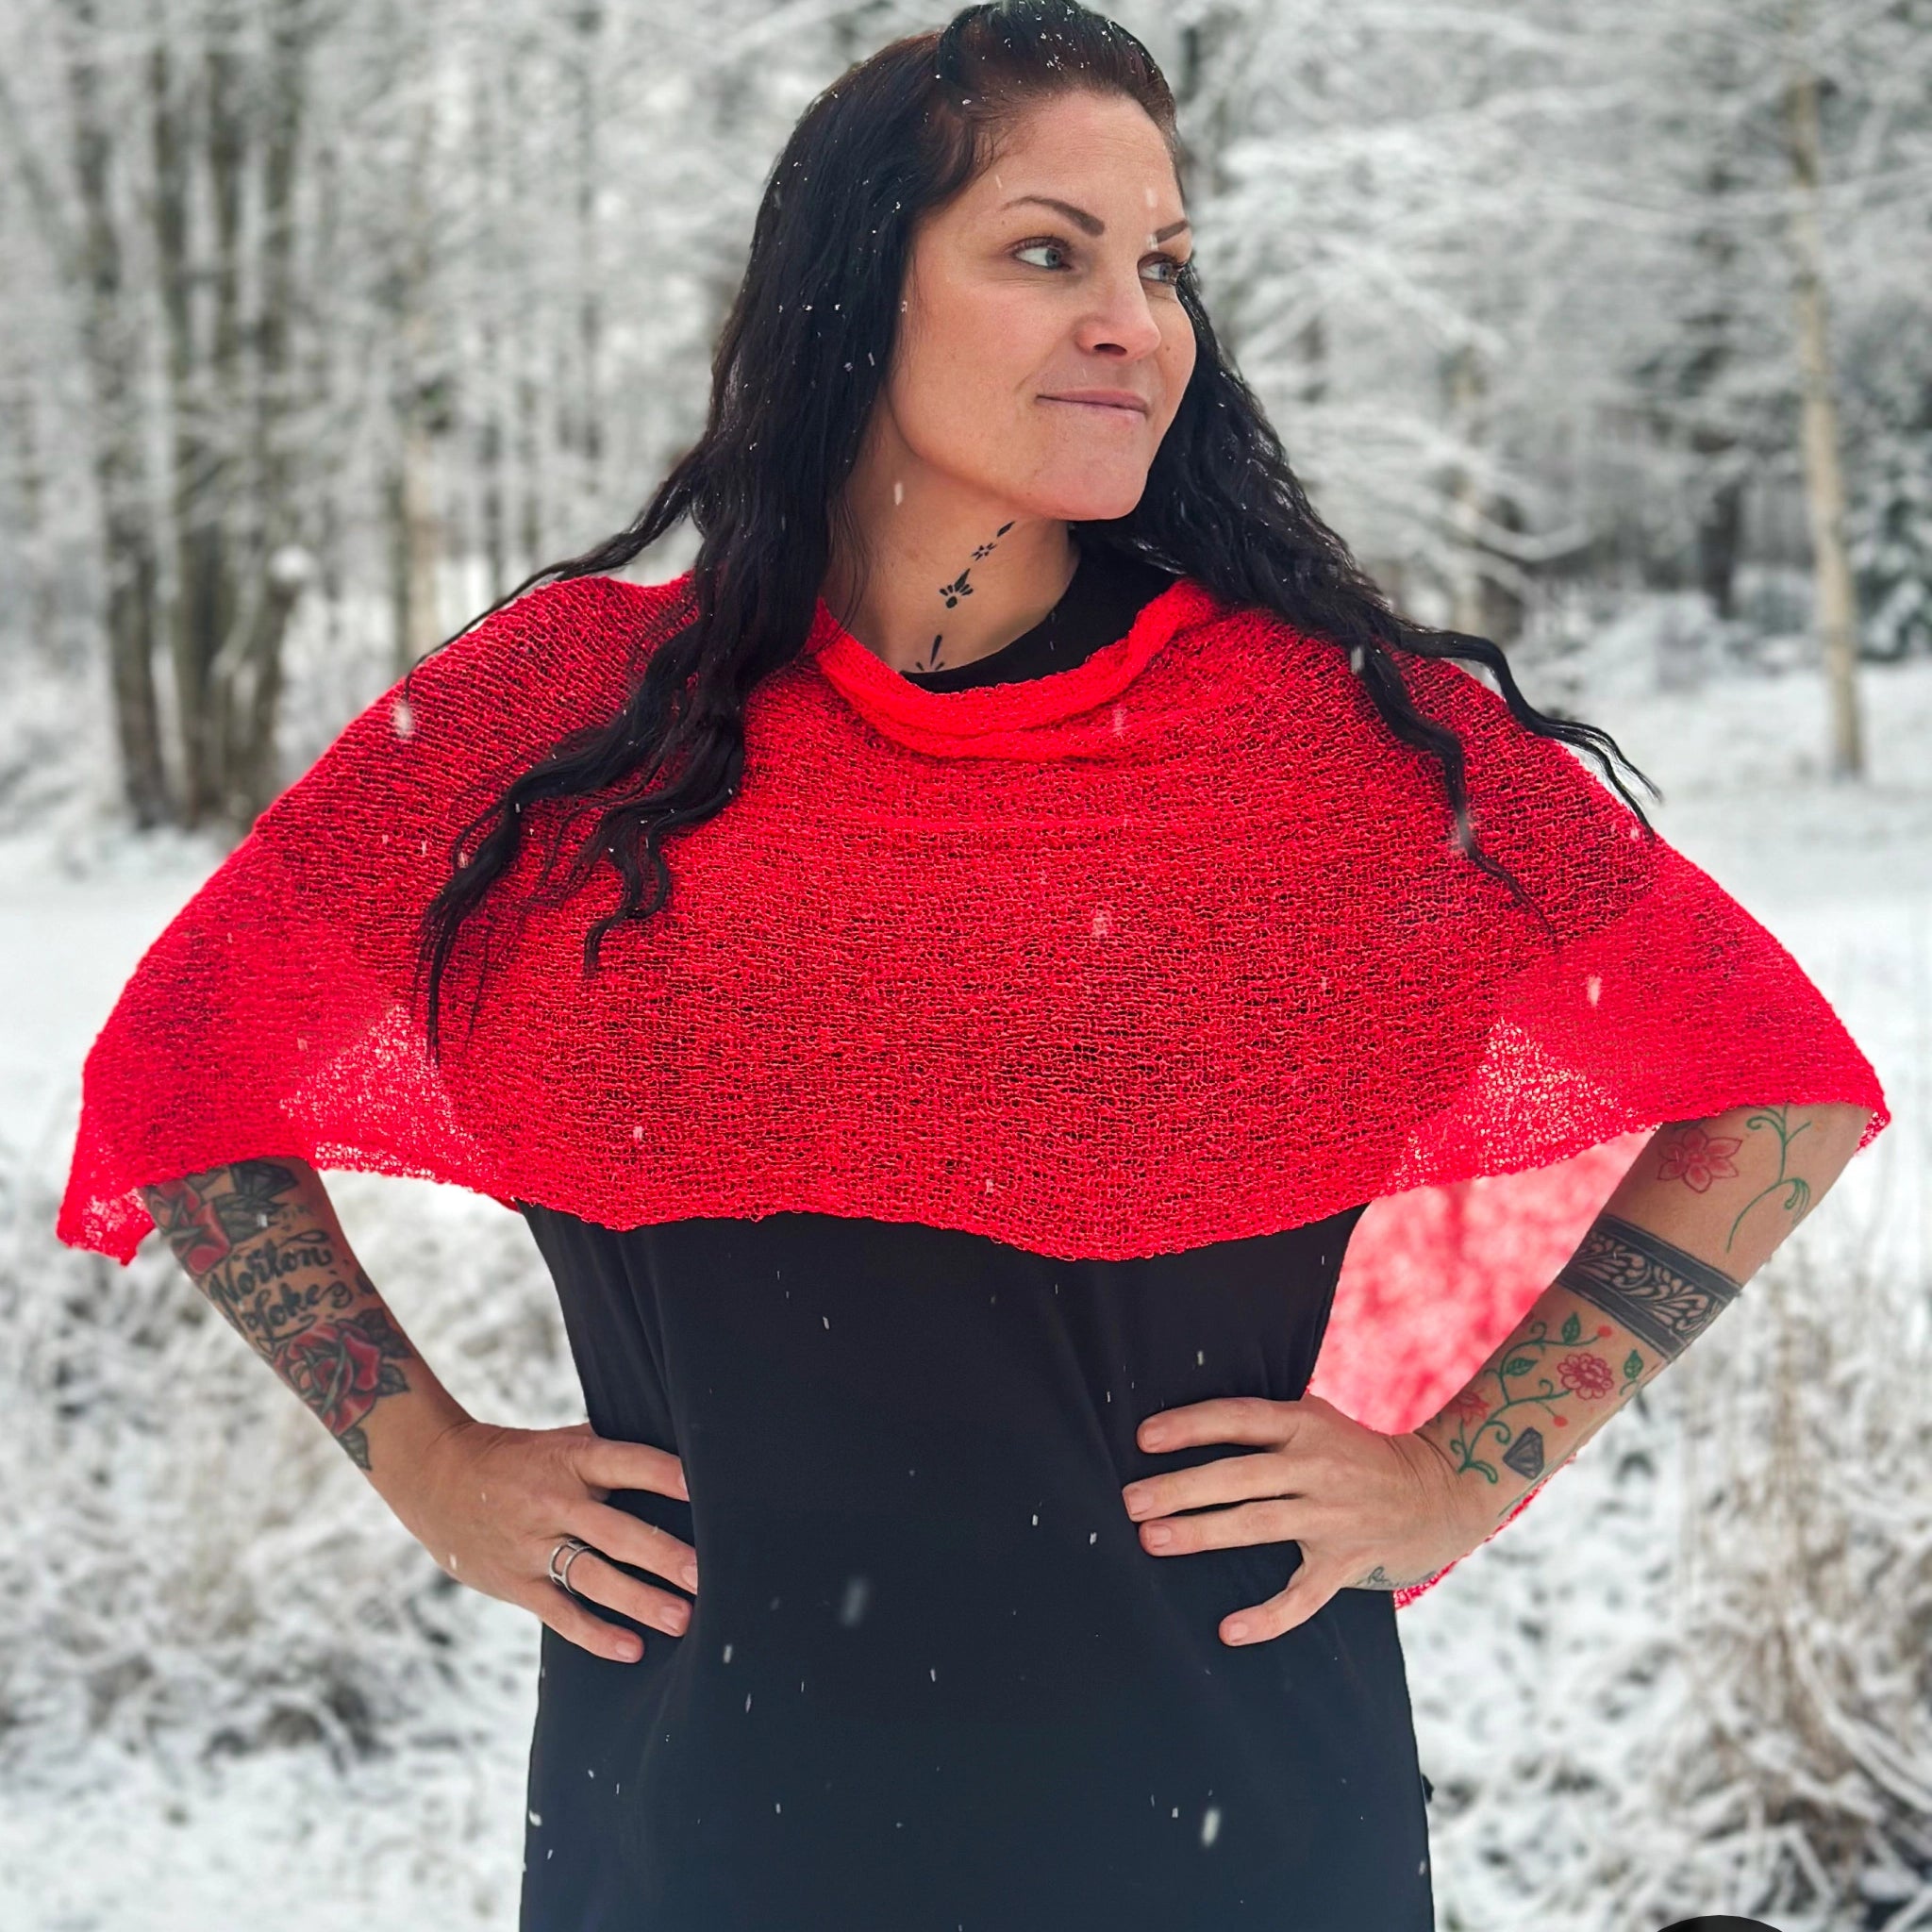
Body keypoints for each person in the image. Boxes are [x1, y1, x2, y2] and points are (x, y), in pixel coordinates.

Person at [58, 5, 1888, 1928]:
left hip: (1221, 1822)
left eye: (1161, 266)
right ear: (857, 288)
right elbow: (186, 1069)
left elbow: (1775, 1093)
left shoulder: (1332, 742)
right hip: (703, 1824)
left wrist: (1458, 1473)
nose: (1133, 322)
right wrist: (426, 1457)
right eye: (1045, 251)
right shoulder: (569, 725)